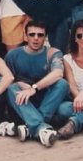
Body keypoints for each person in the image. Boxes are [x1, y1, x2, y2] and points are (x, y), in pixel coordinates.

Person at [5, 20, 69, 148]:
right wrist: (20, 83)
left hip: (47, 100)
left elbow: (58, 73)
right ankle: (41, 128)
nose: (35, 38)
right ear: (25, 35)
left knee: (62, 84)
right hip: (24, 102)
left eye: (40, 35)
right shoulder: (12, 55)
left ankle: (32, 126)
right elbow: (6, 79)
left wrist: (34, 88)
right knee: (12, 88)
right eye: (32, 34)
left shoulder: (53, 53)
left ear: (45, 37)